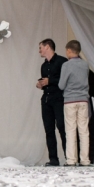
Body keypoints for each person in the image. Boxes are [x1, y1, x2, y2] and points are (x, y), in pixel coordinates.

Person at [58, 40, 90, 166]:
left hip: (70, 100)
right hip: (83, 100)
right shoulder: (85, 64)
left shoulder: (66, 65)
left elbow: (61, 85)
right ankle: (85, 160)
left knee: (71, 130)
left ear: (69, 50)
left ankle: (71, 160)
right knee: (84, 131)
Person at [36, 38, 68, 166]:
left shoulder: (62, 62)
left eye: (40, 47)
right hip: (46, 100)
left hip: (59, 99)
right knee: (49, 130)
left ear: (47, 46)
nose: (39, 50)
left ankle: (69, 158)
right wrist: (41, 84)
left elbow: (66, 80)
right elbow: (46, 82)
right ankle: (53, 159)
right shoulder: (43, 66)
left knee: (62, 128)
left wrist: (50, 81)